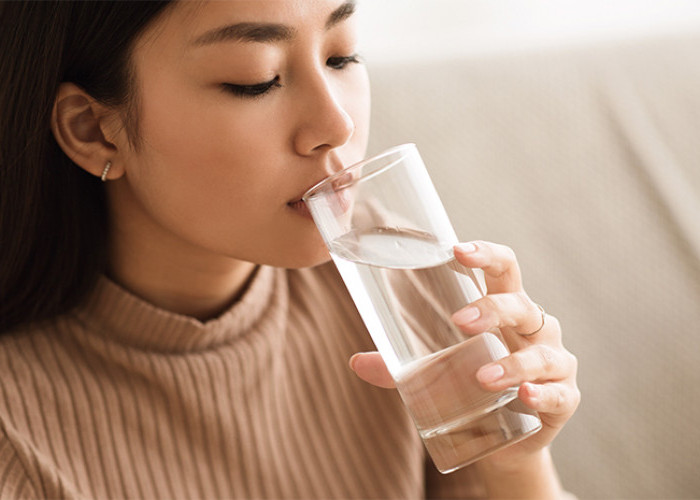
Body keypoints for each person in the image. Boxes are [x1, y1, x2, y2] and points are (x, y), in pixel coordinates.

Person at [0, 1, 580, 498]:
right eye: (256, 80)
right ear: (93, 130)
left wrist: (516, 466)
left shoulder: (398, 272)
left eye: (341, 56)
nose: (337, 123)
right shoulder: (17, 432)